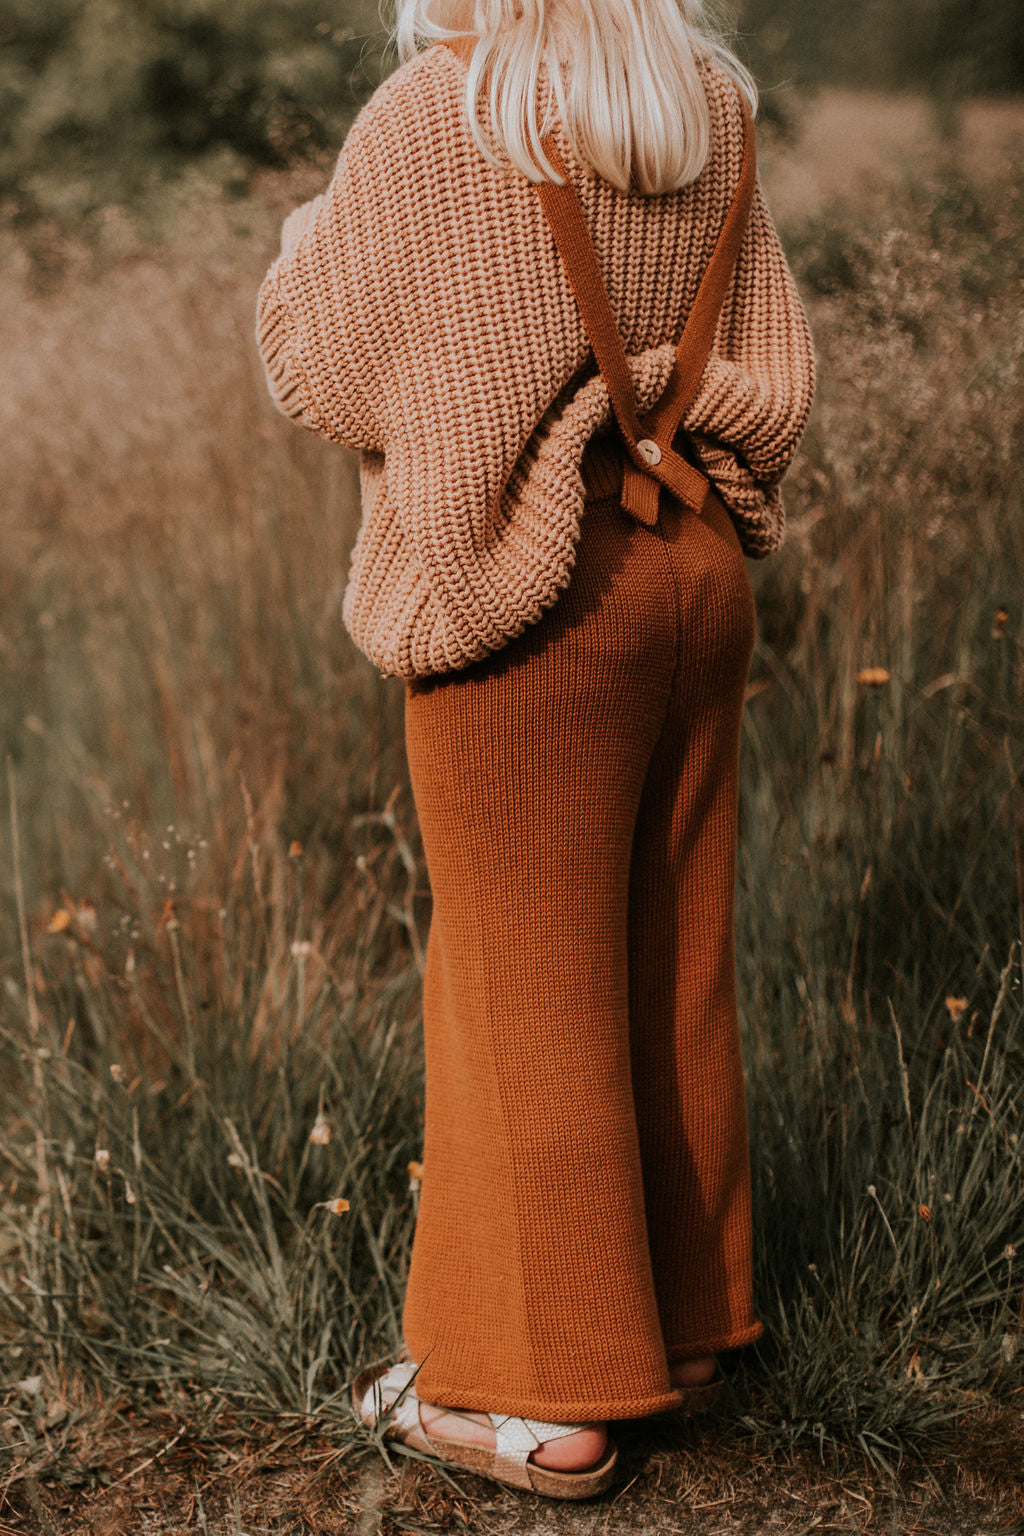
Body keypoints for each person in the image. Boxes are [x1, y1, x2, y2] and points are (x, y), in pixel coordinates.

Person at [256, 0, 815, 1502]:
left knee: (519, 988)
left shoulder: (439, 114)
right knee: (671, 946)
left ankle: (535, 1395)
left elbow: (325, 371)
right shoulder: (708, 105)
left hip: (537, 591)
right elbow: (766, 348)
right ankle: (684, 1332)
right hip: (693, 560)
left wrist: (306, 239)